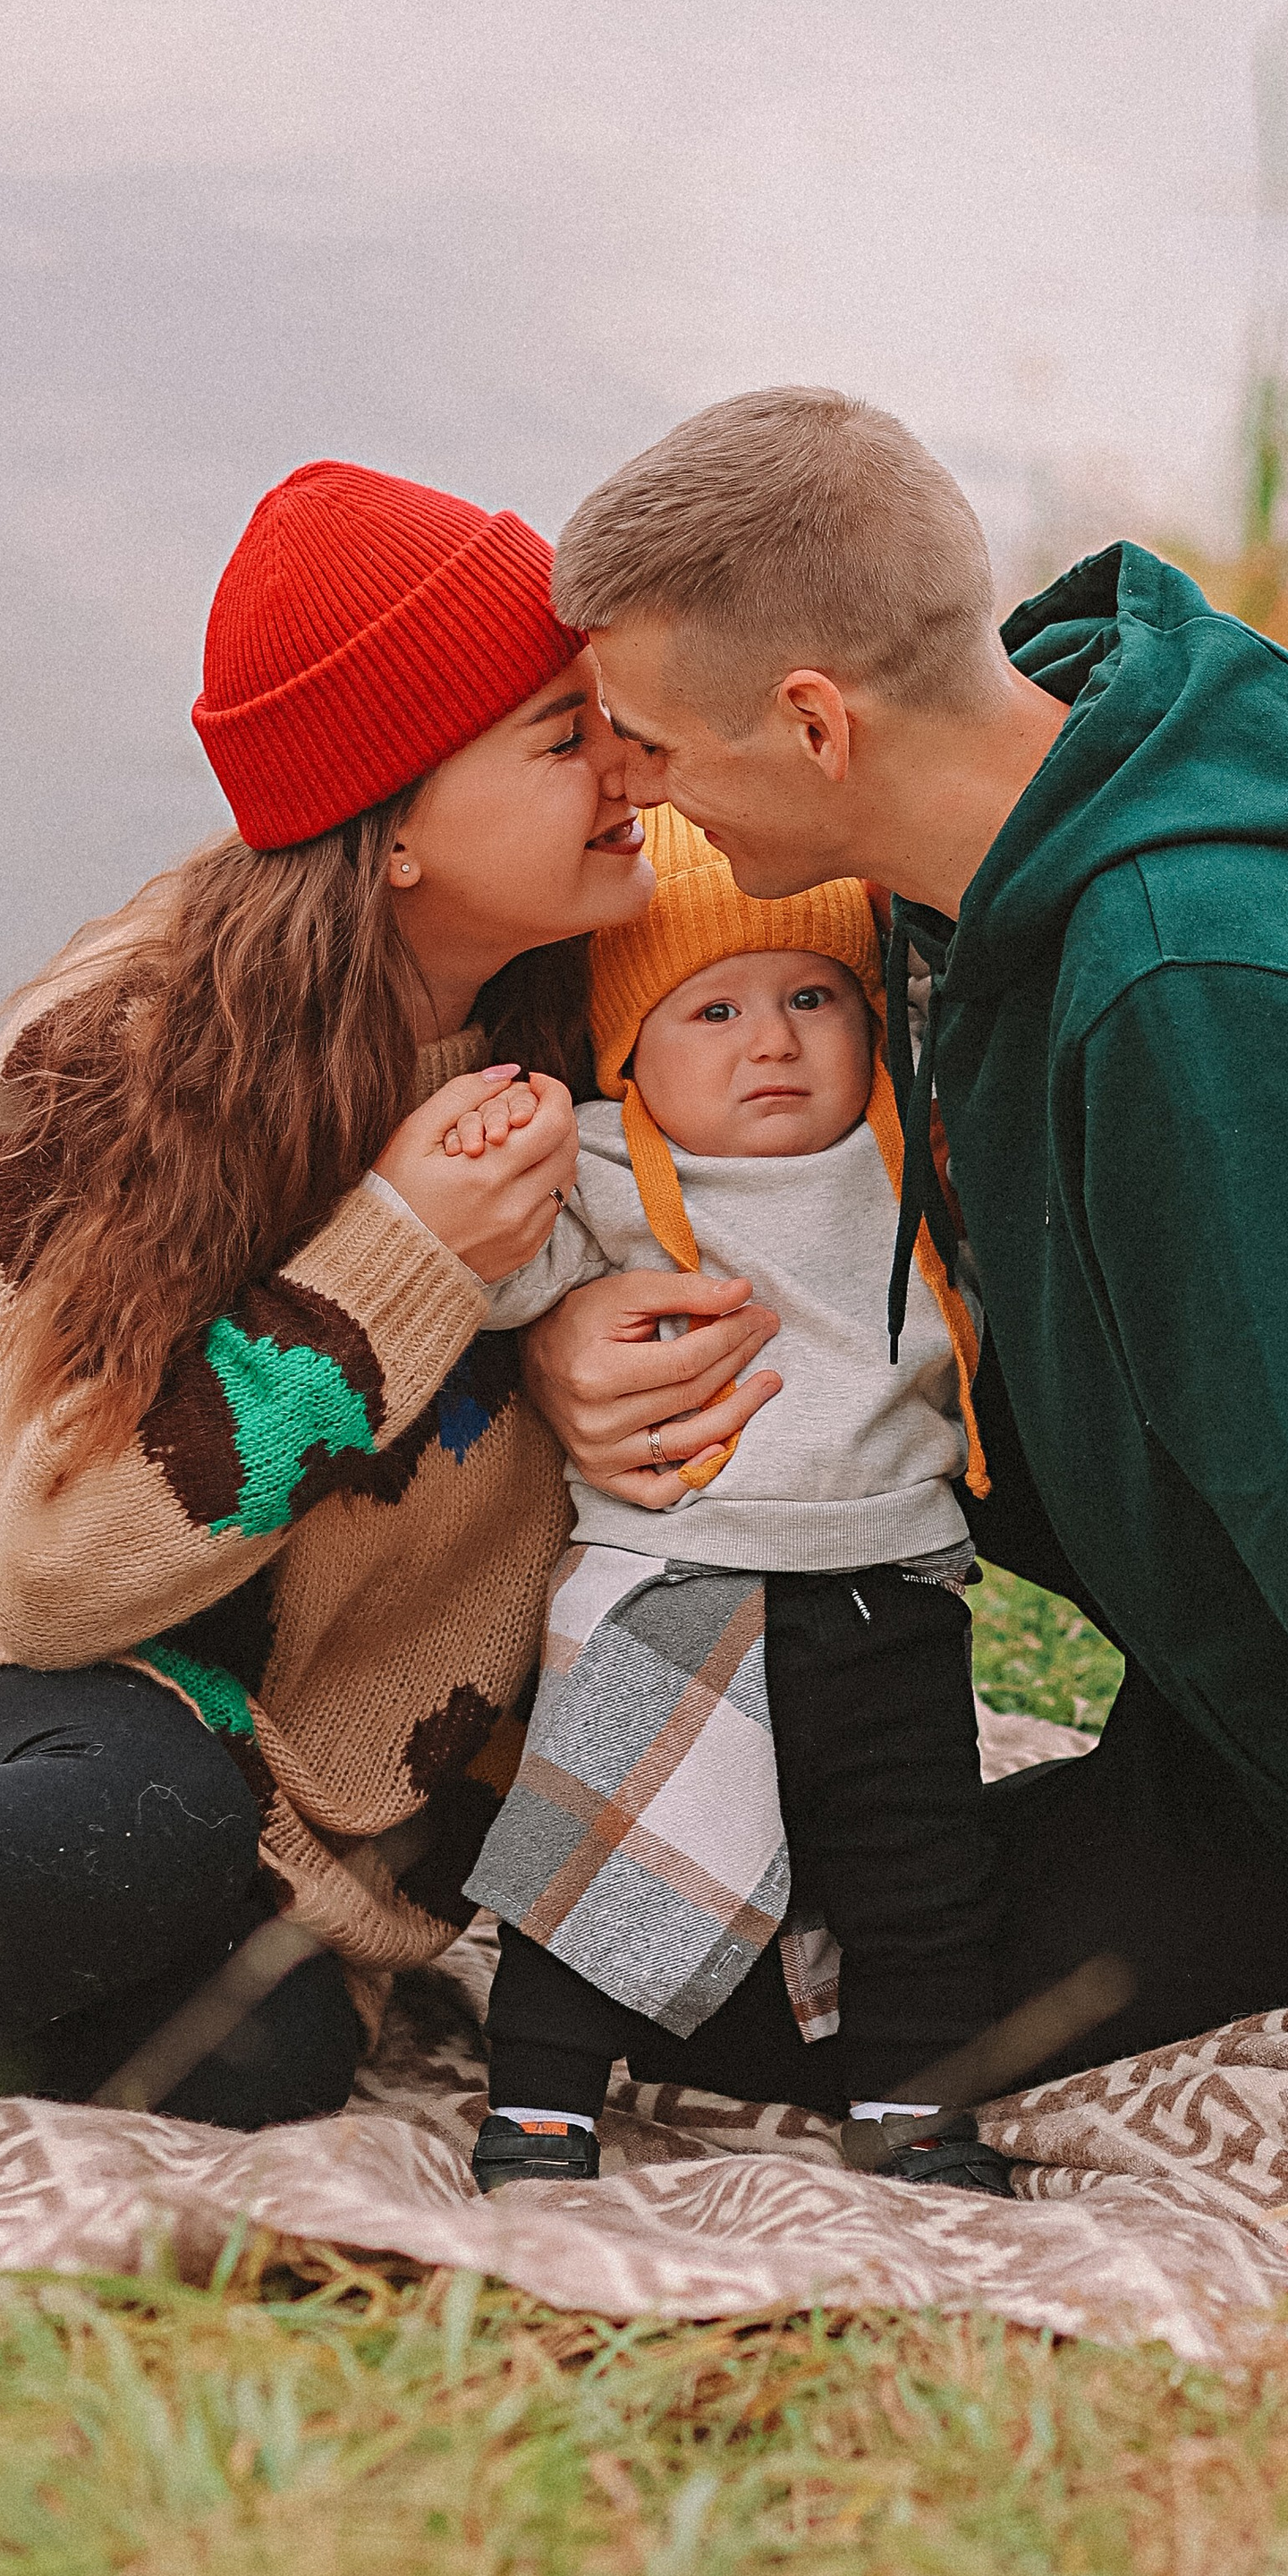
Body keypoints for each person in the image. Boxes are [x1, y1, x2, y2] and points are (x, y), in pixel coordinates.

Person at [518, 386, 1288, 2090]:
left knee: (769, 2008)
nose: (641, 797)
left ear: (816, 724)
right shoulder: (1030, 810)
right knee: (641, 1923)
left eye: (655, 746)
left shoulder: (1190, 989)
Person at [0, 461, 653, 2145]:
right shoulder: (128, 1051)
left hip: (238, 1809)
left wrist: (565, 1333)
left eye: (608, 710)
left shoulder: (610, 1005)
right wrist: (397, 1262)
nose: (627, 763)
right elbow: (53, 1572)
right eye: (558, 732)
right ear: (389, 832)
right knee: (143, 1816)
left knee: (265, 2061)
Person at [462, 805, 1013, 2194]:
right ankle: (538, 2108)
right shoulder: (600, 1158)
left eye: (813, 998)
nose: (771, 1041)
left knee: (922, 1884)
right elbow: (496, 1281)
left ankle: (916, 2116)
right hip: (674, 1577)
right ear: (627, 1051)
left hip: (891, 1578)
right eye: (711, 1008)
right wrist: (490, 1175)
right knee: (599, 1859)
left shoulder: (908, 1159)